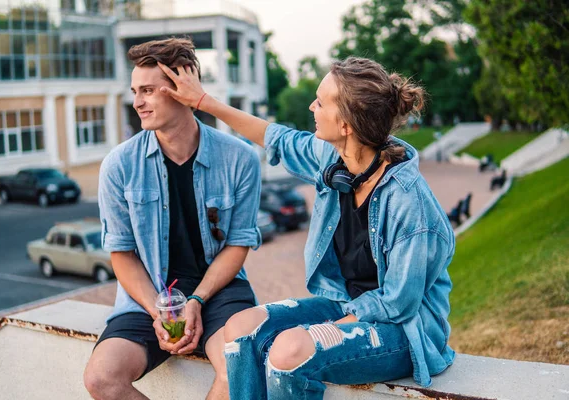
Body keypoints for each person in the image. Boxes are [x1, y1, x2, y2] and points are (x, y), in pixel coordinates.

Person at [158, 55, 456, 399]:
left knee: (288, 351)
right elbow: (277, 138)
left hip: (405, 331)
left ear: (346, 124)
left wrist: (324, 328)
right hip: (346, 303)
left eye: (321, 101)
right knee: (239, 328)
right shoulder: (333, 158)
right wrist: (202, 102)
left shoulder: (409, 202)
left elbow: (398, 302)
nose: (312, 106)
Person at [83, 38, 262, 400]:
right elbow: (122, 254)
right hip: (148, 297)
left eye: (147, 90)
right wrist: (160, 311)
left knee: (237, 371)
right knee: (102, 379)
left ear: (182, 90)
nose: (137, 102)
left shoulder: (240, 159)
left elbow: (238, 243)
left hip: (220, 292)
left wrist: (195, 300)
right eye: (135, 91)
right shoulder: (119, 166)